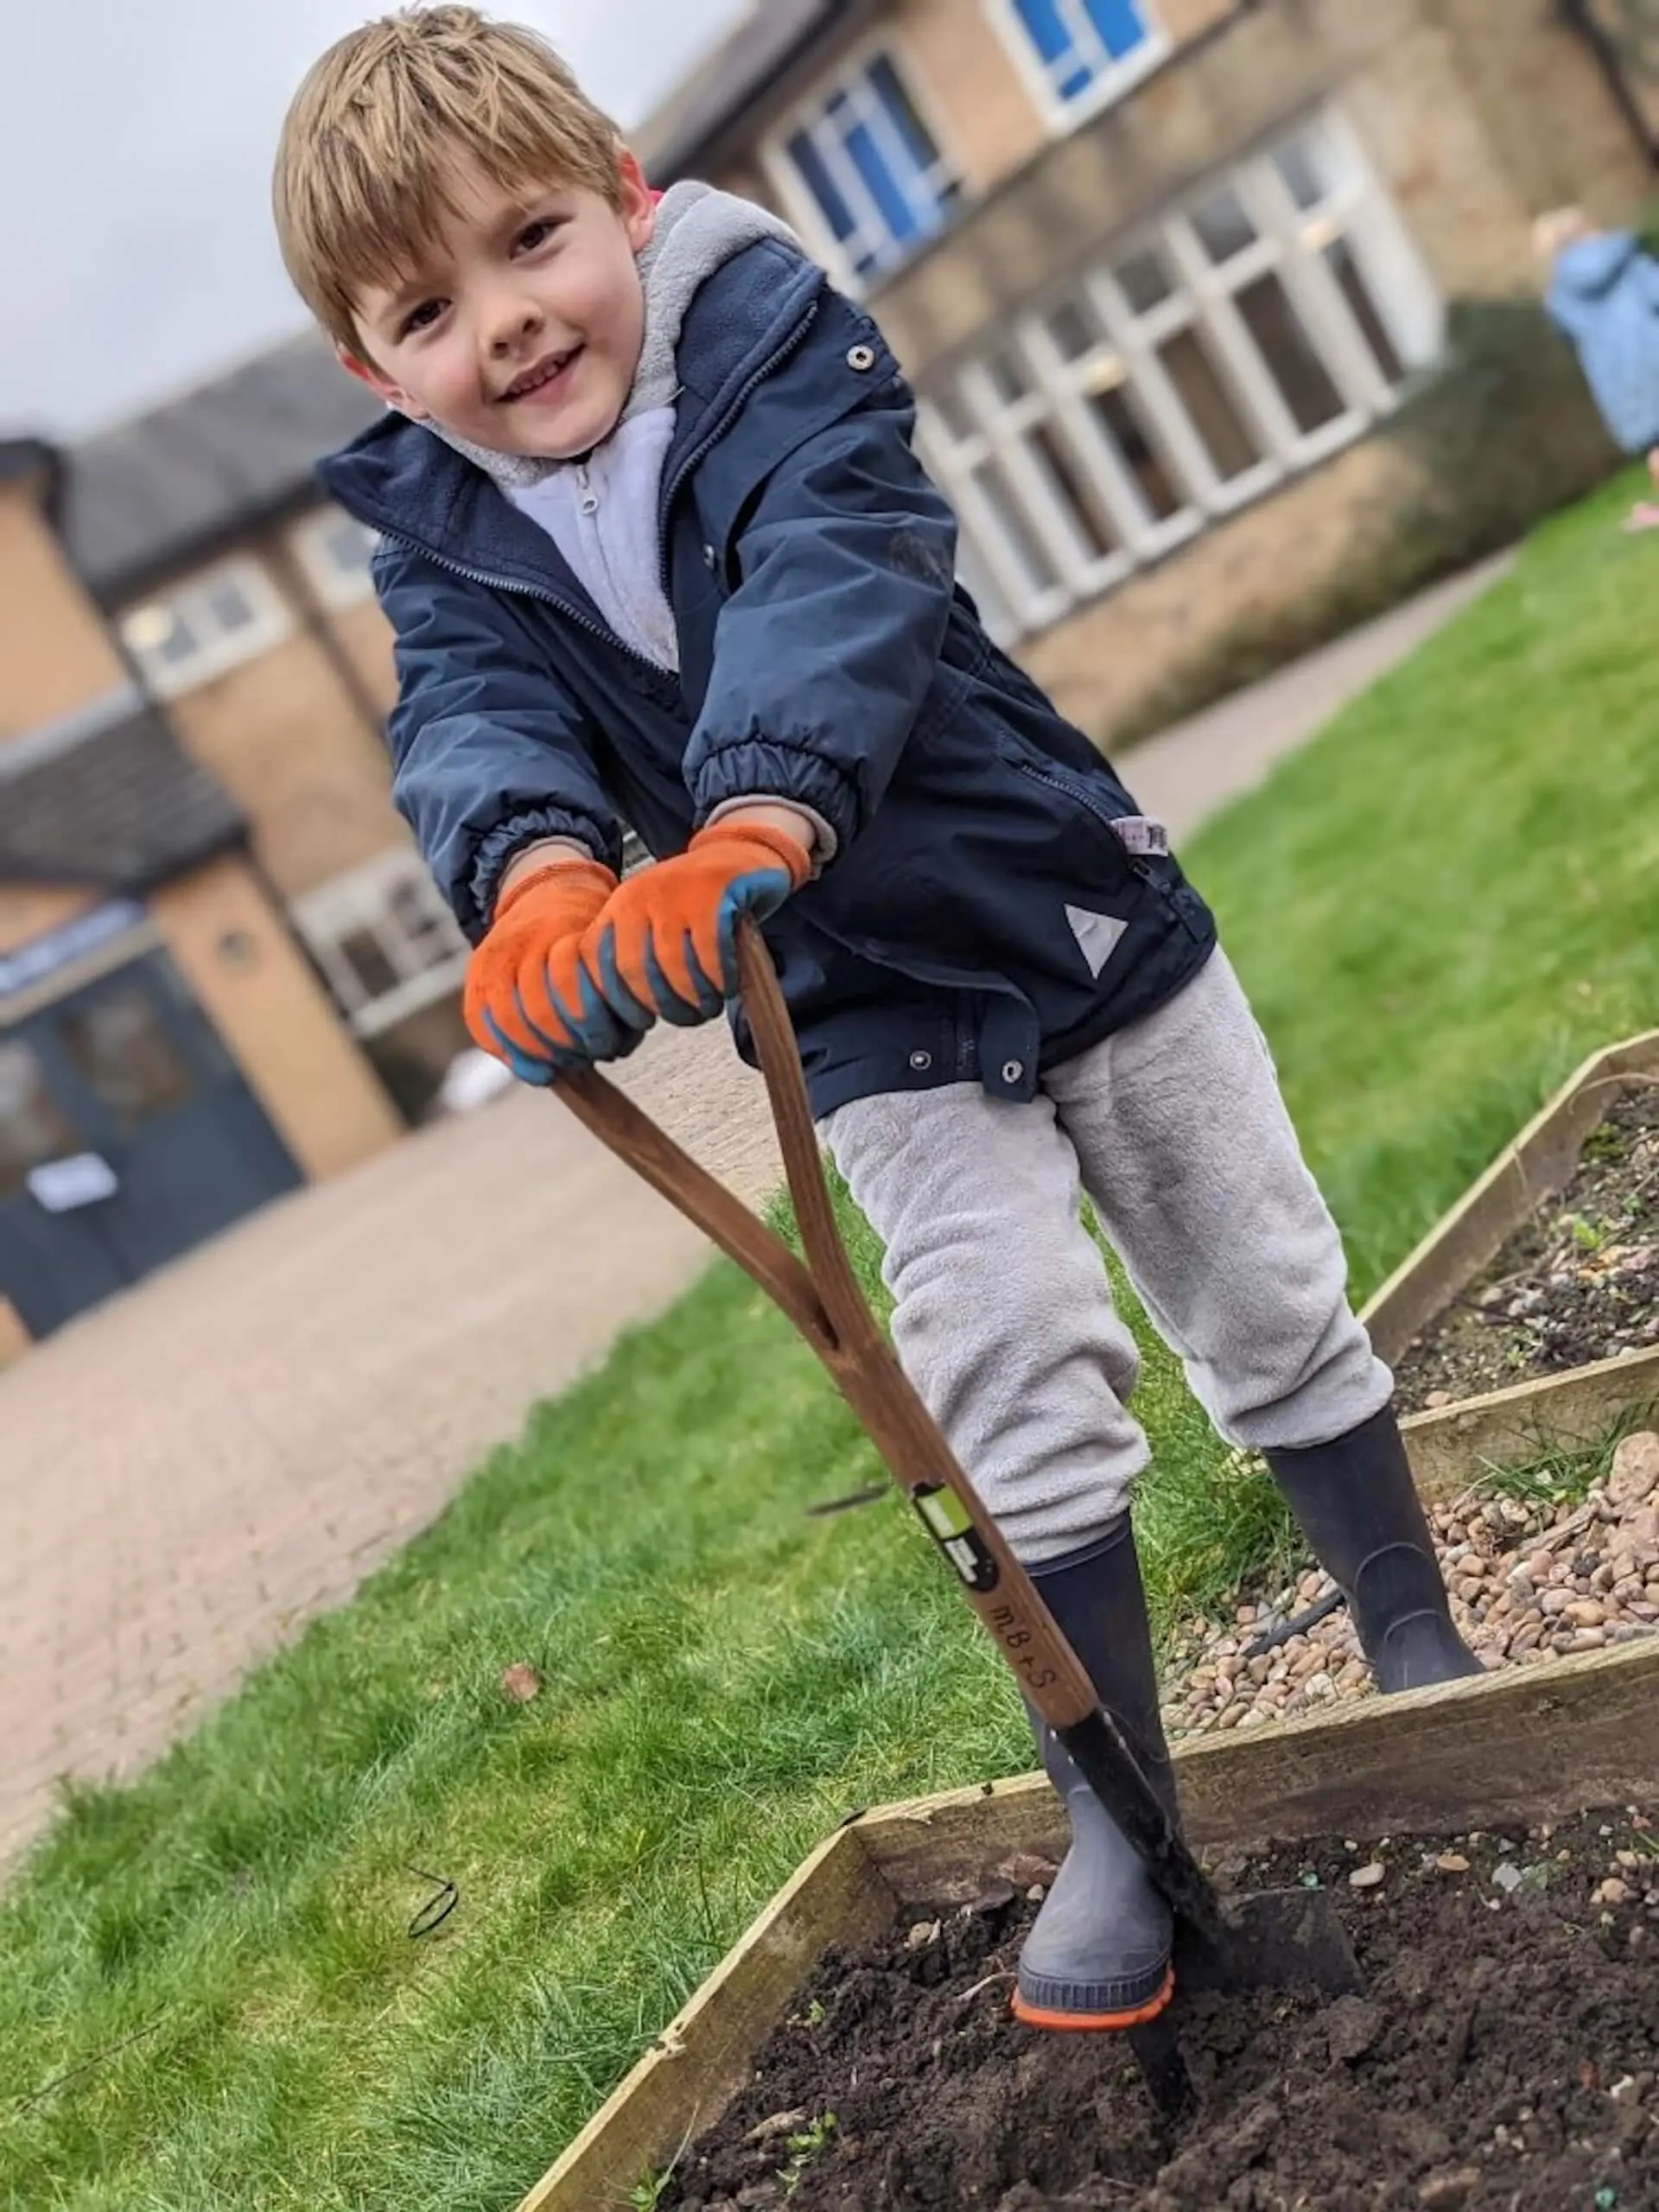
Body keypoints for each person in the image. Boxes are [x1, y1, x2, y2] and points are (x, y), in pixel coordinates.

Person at [275, 4, 1481, 2035]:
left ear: (630, 206)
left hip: (1059, 899)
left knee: (1251, 1273)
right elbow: (474, 715)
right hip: (853, 998)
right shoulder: (442, 535)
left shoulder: (765, 341)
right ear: (366, 367)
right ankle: (1120, 1804)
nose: (503, 320)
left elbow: (844, 575)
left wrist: (751, 804)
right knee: (997, 1352)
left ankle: (1409, 1618)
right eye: (425, 305)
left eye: (534, 240)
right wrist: (541, 875)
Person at [1536, 206, 1659, 531]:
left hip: (1619, 380)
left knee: (1656, 445)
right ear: (1589, 231)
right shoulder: (1628, 262)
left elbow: (1568, 334)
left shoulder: (1558, 296)